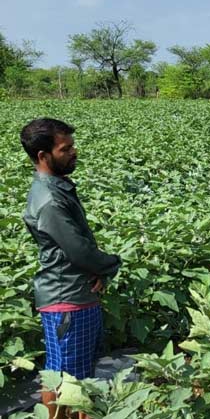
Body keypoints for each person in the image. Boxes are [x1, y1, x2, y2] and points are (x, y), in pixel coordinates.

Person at [19, 118, 122, 419]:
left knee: (59, 373)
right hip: (70, 300)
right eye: (66, 148)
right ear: (43, 156)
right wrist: (111, 264)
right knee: (75, 381)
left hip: (66, 297)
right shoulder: (50, 199)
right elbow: (78, 251)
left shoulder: (52, 189)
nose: (74, 152)